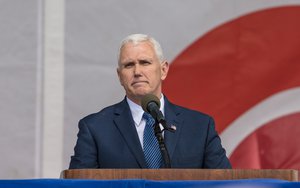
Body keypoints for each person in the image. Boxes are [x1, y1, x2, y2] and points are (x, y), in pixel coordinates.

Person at [69, 34, 231, 169]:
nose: (137, 71)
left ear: (163, 69)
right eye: (129, 65)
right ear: (120, 76)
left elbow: (226, 184)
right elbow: (78, 184)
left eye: (145, 62)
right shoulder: (95, 128)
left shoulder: (200, 126)